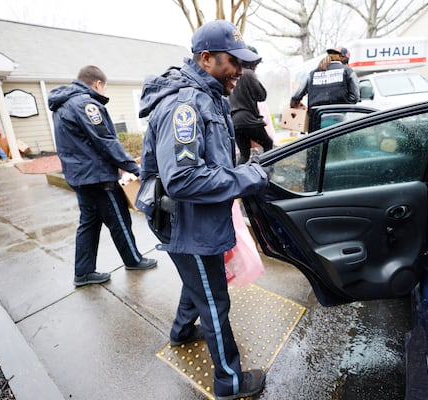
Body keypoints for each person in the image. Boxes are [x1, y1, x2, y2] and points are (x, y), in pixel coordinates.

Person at [137, 20, 268, 400]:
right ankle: (229, 381)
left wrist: (241, 170)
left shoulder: (208, 95)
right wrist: (247, 179)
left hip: (194, 219)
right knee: (214, 299)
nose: (240, 72)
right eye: (233, 62)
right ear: (207, 58)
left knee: (199, 281)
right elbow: (183, 180)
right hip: (185, 223)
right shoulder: (185, 106)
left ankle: (180, 333)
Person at [48, 65, 157, 287]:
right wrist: (133, 167)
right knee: (119, 220)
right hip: (98, 177)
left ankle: (84, 271)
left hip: (80, 176)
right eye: (104, 87)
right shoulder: (86, 104)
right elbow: (105, 140)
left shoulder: (62, 105)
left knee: (89, 222)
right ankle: (133, 259)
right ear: (97, 84)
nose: (104, 92)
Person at [229, 46, 273, 164]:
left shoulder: (232, 73)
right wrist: (254, 78)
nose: (257, 66)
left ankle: (239, 179)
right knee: (268, 144)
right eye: (256, 63)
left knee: (244, 154)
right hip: (247, 118)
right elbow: (262, 96)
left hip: (234, 121)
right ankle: (265, 173)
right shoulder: (248, 73)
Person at [290, 46, 360, 112]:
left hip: (315, 118)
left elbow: (296, 96)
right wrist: (343, 106)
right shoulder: (348, 72)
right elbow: (355, 97)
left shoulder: (312, 74)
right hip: (339, 118)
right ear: (345, 60)